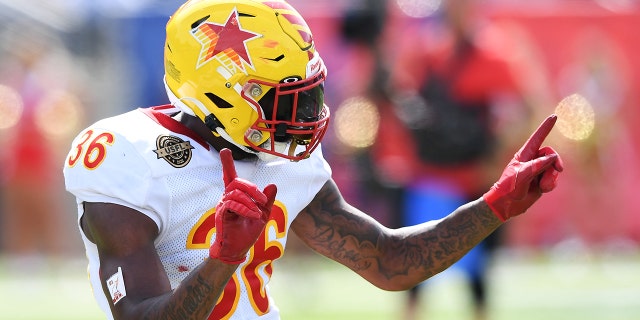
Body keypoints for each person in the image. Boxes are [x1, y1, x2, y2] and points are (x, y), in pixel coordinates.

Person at [62, 1, 564, 319]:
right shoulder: (127, 156)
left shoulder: (281, 156)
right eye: (288, 99)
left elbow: (389, 261)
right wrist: (222, 261)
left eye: (309, 92)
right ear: (225, 96)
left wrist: (494, 205)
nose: (307, 114)